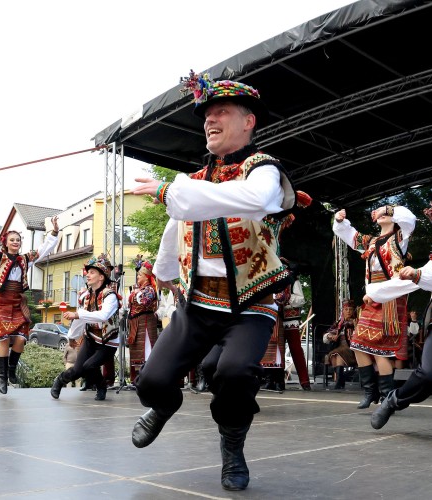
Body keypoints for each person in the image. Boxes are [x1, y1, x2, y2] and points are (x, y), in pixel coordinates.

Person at [129, 71, 298, 491]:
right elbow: (174, 232)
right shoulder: (192, 182)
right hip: (198, 301)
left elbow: (256, 200)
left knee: (236, 373)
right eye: (206, 114)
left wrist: (173, 191)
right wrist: (167, 276)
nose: (210, 120)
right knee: (151, 382)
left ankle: (232, 445)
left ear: (248, 121)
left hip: (251, 302)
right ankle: (164, 406)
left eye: (221, 111)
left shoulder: (264, 170)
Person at [366, 191, 432, 430]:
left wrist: (421, 275)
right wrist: (377, 292)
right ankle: (394, 399)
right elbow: (407, 281)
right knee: (430, 375)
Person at [333, 204, 416, 408]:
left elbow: (409, 219)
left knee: (381, 350)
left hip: (390, 297)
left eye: (385, 213)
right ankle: (370, 391)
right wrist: (339, 221)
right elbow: (350, 236)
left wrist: (388, 209)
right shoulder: (370, 241)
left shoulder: (400, 238)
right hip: (371, 297)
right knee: (358, 344)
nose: (379, 214)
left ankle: (387, 396)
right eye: (378, 212)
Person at [0, 211, 59, 394]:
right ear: (6, 242)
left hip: (18, 302)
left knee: (20, 339)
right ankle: (2, 379)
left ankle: (11, 370)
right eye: (12, 240)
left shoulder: (26, 259)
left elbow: (43, 250)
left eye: (18, 240)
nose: (15, 242)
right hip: (1, 302)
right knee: (4, 341)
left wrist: (55, 232)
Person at [50, 254, 121, 401]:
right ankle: (60, 380)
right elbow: (80, 319)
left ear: (101, 277)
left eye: (92, 272)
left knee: (89, 366)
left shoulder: (110, 296)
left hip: (108, 342)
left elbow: (103, 316)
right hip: (91, 338)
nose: (87, 275)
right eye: (87, 272)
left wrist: (78, 314)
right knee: (77, 370)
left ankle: (101, 386)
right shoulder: (84, 297)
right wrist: (71, 337)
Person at [127, 260, 159, 385]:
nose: (137, 277)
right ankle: (139, 378)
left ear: (146, 277)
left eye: (140, 275)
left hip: (145, 322)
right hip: (136, 322)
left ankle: (148, 378)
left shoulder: (150, 290)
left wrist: (136, 293)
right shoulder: (139, 290)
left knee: (146, 348)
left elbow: (144, 302)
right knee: (137, 349)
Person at [323, 299, 357, 389]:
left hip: (353, 348)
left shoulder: (357, 322)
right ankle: (340, 381)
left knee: (337, 353)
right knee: (336, 354)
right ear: (343, 311)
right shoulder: (339, 323)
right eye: (346, 309)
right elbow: (327, 335)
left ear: (354, 310)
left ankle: (340, 381)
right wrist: (331, 336)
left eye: (350, 309)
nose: (348, 311)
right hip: (341, 348)